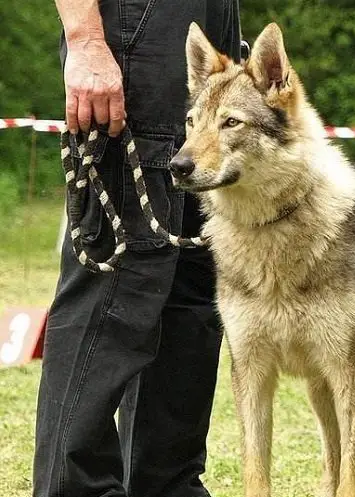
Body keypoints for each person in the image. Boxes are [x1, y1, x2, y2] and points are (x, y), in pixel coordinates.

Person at [33, 1, 241, 496]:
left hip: (204, 21)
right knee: (117, 287)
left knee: (191, 294)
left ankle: (166, 487)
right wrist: (85, 41)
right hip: (135, 31)